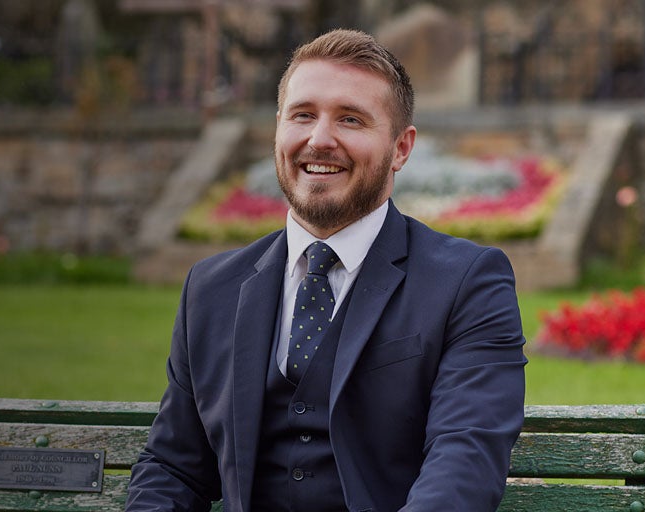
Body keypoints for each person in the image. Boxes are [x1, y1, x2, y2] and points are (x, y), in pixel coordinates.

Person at [126, 29, 526, 511]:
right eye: (303, 115)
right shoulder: (210, 289)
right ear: (278, 129)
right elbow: (173, 467)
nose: (319, 139)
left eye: (350, 119)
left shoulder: (467, 284)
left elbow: (464, 462)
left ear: (401, 148)